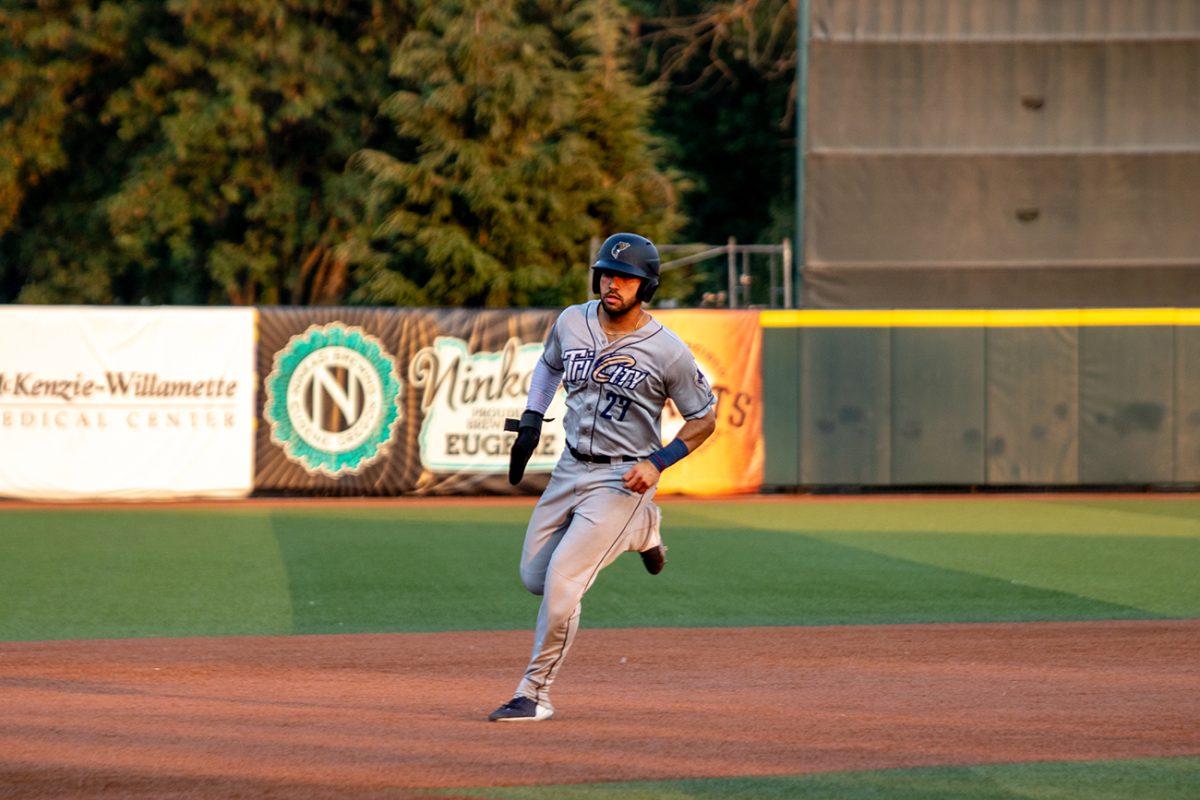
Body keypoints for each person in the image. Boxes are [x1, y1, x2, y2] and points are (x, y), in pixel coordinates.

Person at [488, 232, 718, 722]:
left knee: (562, 584)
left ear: (646, 286)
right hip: (570, 466)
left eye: (626, 277)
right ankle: (643, 530)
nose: (613, 284)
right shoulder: (572, 320)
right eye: (608, 274)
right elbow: (549, 367)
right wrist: (531, 420)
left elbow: (704, 419)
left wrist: (658, 461)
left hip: (622, 479)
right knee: (532, 577)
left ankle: (534, 693)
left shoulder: (668, 350)